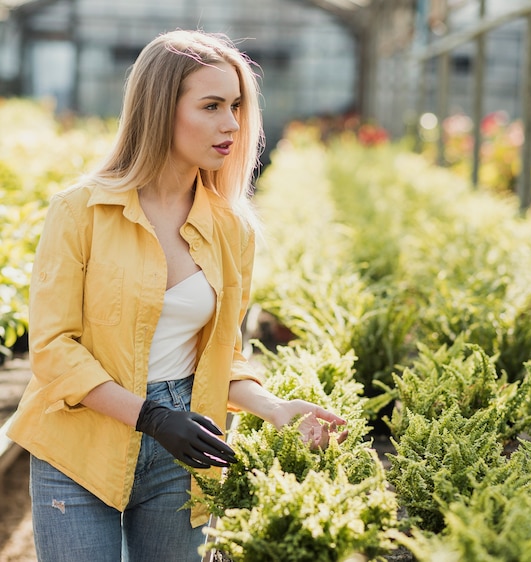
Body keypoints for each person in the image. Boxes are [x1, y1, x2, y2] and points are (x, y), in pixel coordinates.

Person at [8, 29, 347, 562]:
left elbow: (220, 355)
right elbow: (52, 350)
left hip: (185, 446)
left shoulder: (231, 228)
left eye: (236, 106)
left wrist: (273, 407)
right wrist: (151, 417)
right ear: (160, 109)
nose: (231, 124)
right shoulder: (80, 211)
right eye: (211, 106)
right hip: (79, 441)